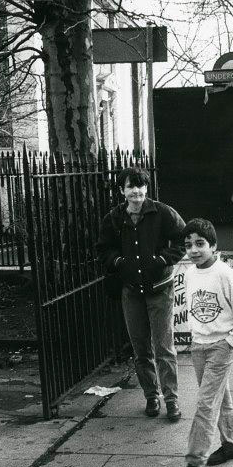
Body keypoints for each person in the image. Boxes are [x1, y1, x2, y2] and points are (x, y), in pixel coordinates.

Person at [97, 168, 186, 421]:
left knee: (164, 348)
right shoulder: (114, 218)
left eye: (140, 186)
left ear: (147, 188)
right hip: (132, 292)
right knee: (140, 349)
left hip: (160, 290)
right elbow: (103, 249)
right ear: (122, 191)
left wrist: (162, 259)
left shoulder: (163, 213)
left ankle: (172, 400)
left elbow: (182, 239)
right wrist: (118, 262)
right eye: (130, 187)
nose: (136, 191)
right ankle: (151, 397)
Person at [176, 218, 233, 467]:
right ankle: (232, 443)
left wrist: (232, 341)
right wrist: (194, 338)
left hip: (222, 345)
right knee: (218, 397)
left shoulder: (225, 274)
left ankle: (195, 462)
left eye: (200, 244)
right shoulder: (189, 274)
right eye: (189, 245)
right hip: (199, 345)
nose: (194, 250)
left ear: (213, 245)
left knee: (205, 403)